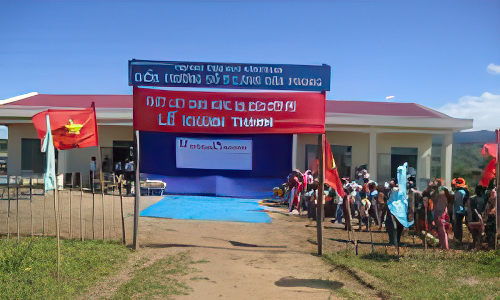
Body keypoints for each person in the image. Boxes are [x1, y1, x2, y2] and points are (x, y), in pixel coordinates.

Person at [452, 177, 469, 244]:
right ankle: (459, 239)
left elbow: (457, 202)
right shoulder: (464, 191)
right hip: (462, 209)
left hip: (458, 210)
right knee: (459, 225)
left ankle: (458, 239)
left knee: (457, 225)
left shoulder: (459, 192)